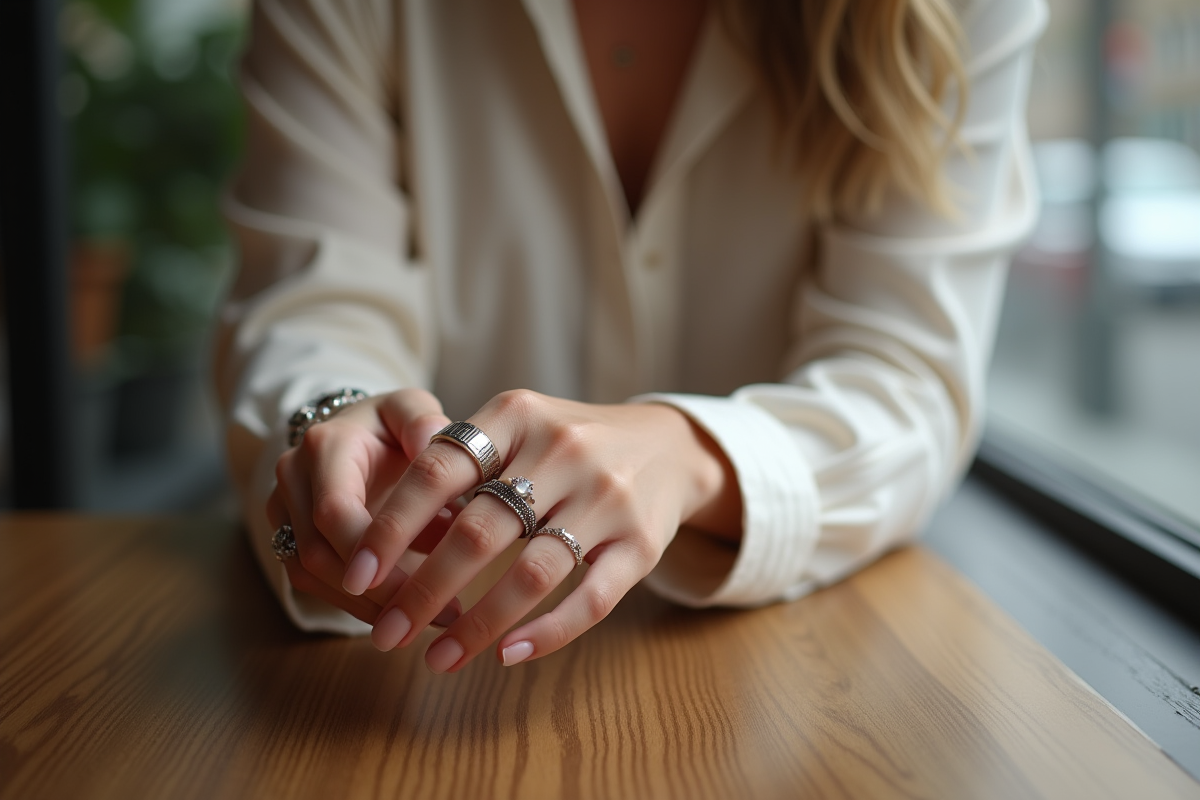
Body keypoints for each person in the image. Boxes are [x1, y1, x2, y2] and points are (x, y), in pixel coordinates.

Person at [216, 0, 1047, 674]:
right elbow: (313, 293)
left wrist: (693, 454)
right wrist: (334, 419)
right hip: (414, 665)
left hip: (780, 668)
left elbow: (906, 377)